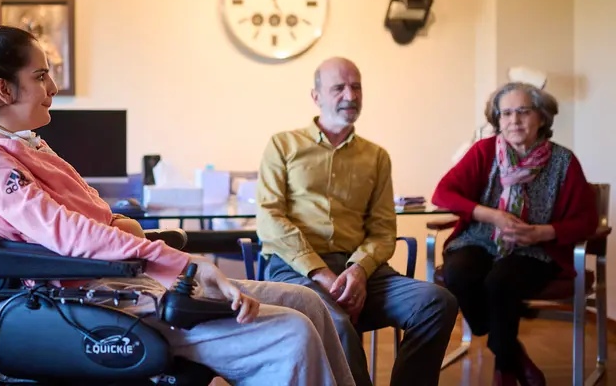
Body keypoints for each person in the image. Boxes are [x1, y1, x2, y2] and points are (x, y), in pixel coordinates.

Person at [0, 15, 356, 386]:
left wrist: (126, 229)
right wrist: (186, 266)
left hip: (121, 278)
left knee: (308, 301)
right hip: (84, 297)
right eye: (40, 76)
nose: (52, 86)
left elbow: (89, 217)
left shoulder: (25, 148)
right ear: (4, 89)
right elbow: (70, 235)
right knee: (292, 332)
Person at [256, 56, 458, 386]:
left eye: (356, 87)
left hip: (362, 272)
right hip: (296, 270)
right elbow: (269, 218)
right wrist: (322, 274)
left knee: (437, 302)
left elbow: (382, 229)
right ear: (316, 96)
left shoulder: (376, 156)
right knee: (335, 325)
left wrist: (359, 270)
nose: (350, 95)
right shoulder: (283, 145)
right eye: (339, 88)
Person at [431, 82, 599, 385]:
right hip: (480, 238)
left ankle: (504, 369)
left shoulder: (563, 161)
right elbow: (443, 193)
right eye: (506, 113)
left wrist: (541, 233)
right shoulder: (484, 151)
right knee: (458, 274)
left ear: (542, 117)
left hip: (536, 249)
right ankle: (508, 349)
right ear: (497, 119)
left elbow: (587, 221)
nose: (514, 120)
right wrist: (491, 214)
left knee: (500, 282)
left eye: (523, 111)